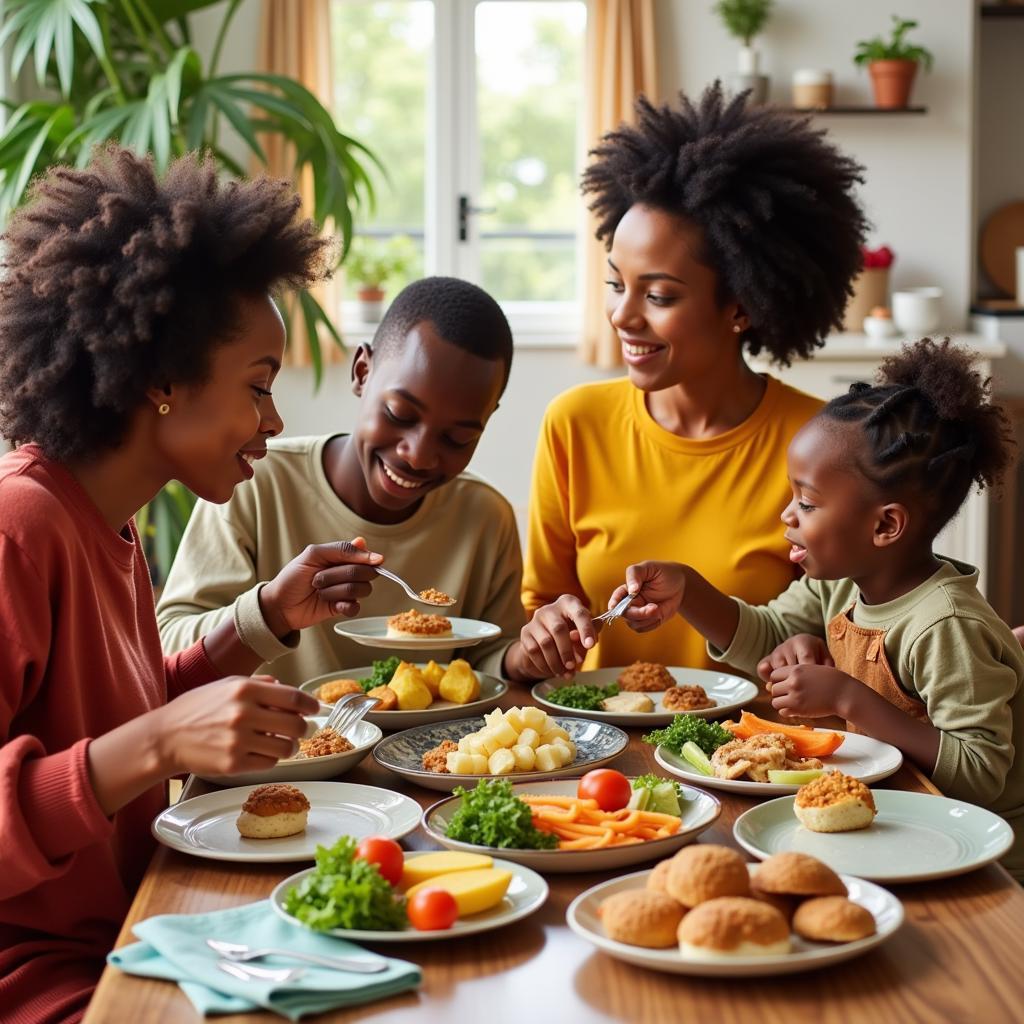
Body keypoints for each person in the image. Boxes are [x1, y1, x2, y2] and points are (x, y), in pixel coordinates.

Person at [0, 147, 384, 1023]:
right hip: (40, 979)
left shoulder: (107, 519)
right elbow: (135, 744)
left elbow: (116, 715)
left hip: (138, 930)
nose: (275, 421)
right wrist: (160, 744)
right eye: (260, 386)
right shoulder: (20, 527)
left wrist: (267, 620)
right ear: (159, 382)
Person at [609, 339, 1024, 879]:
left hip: (972, 860)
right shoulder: (844, 586)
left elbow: (979, 772)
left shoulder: (945, 625)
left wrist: (851, 696)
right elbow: (767, 633)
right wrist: (689, 590)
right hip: (888, 824)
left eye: (807, 502)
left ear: (884, 526)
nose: (787, 513)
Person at [504, 83, 867, 683]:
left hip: (756, 759)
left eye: (661, 295)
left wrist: (807, 641)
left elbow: (843, 627)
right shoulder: (575, 424)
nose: (623, 315)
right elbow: (536, 612)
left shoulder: (819, 442)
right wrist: (545, 633)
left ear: (741, 307)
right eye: (617, 284)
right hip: (600, 753)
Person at [157, 276, 524, 684]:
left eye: (457, 438)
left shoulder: (486, 516)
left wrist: (522, 658)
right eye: (400, 414)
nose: (418, 454)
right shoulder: (251, 479)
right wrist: (270, 611)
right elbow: (167, 644)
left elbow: (491, 657)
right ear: (362, 372)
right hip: (280, 746)